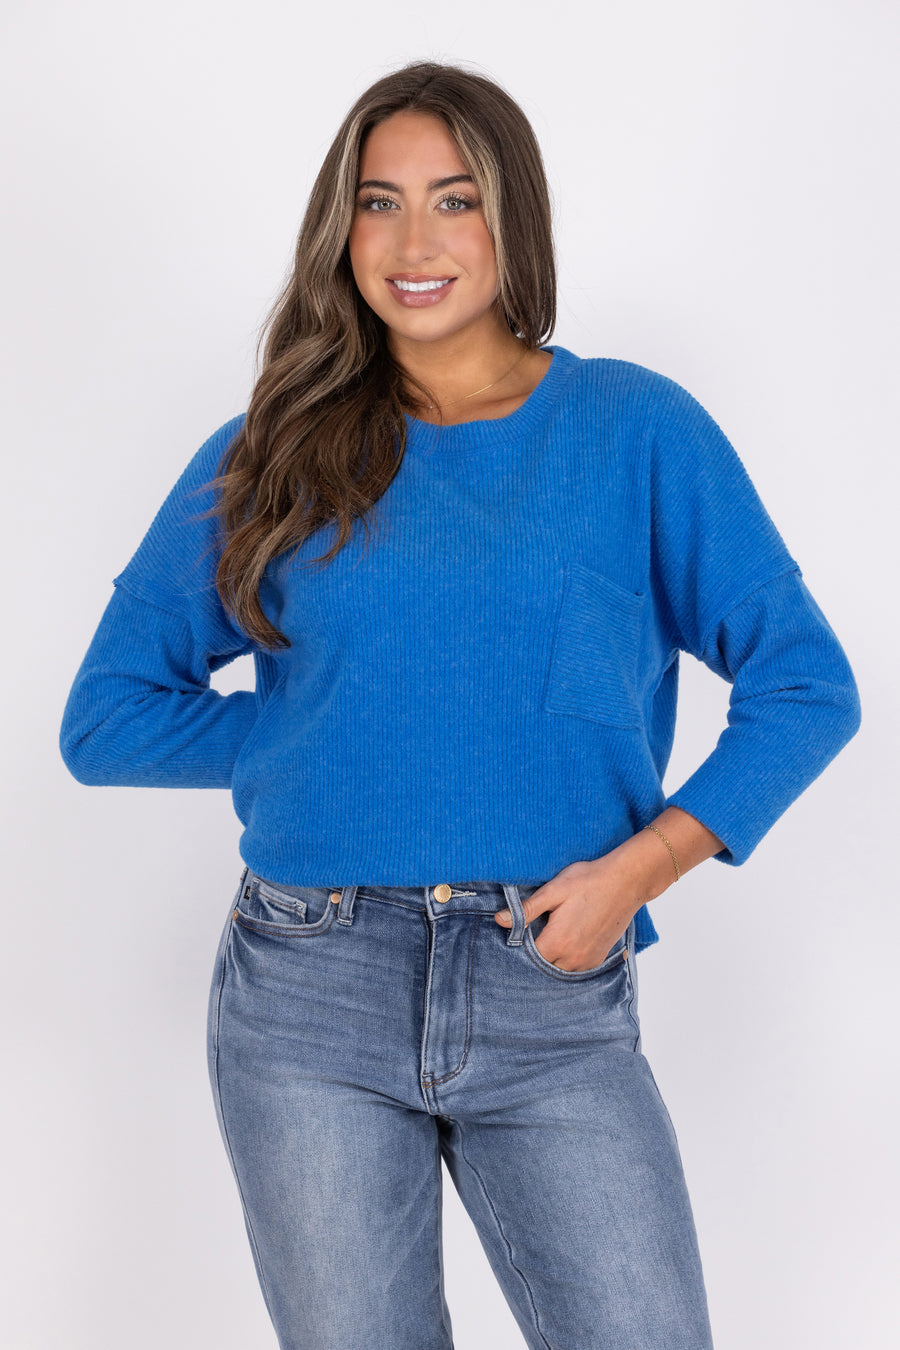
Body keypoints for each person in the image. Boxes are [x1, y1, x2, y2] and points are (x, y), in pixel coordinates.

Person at [59, 59, 861, 1350]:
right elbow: (108, 717)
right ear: (342, 230)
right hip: (308, 989)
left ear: (511, 218)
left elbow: (807, 686)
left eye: (455, 199)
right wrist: (337, 734)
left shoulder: (634, 431)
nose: (413, 242)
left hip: (550, 974)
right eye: (379, 203)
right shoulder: (271, 450)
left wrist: (640, 870)